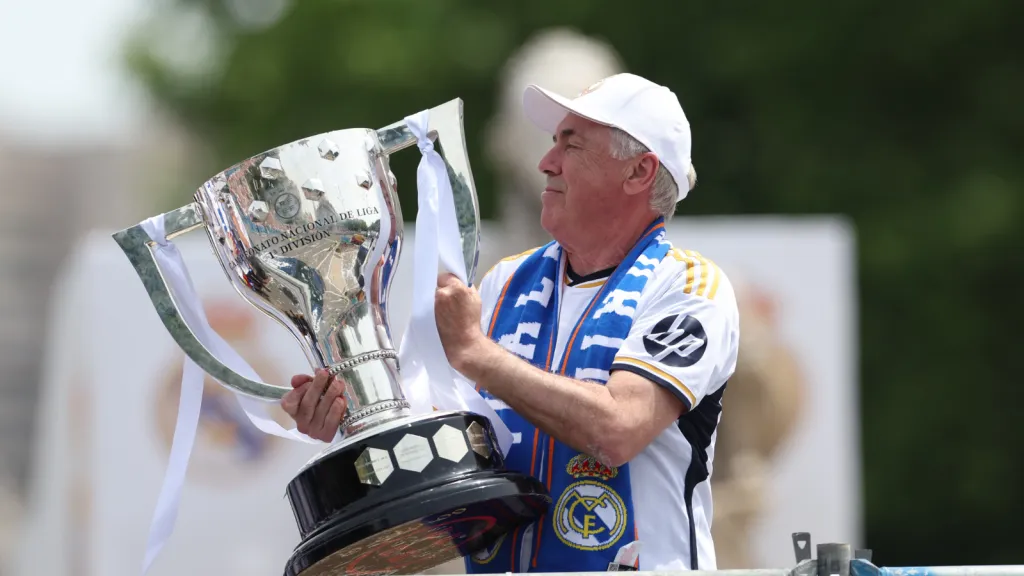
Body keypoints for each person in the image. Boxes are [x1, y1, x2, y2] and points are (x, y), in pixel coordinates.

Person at [282, 73, 741, 572]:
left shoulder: (688, 286)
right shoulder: (504, 281)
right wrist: (349, 414)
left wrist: (478, 354)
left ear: (639, 172)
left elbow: (618, 429)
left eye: (572, 145)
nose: (546, 162)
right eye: (553, 142)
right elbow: (428, 434)